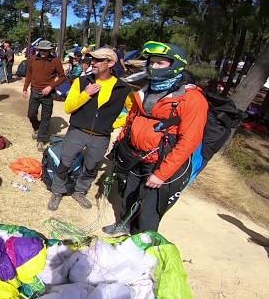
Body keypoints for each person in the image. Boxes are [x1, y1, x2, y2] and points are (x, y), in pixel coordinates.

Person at [103, 42, 208, 235]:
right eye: (152, 62)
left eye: (161, 63)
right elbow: (132, 118)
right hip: (135, 156)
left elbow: (189, 141)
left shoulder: (192, 99)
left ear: (176, 65)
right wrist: (121, 145)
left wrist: (161, 174)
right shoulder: (146, 90)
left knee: (149, 210)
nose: (153, 66)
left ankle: (143, 243)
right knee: (129, 196)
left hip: (161, 162)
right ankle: (124, 225)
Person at [47, 47, 132, 212]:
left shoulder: (123, 88)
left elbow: (133, 112)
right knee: (65, 162)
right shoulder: (82, 82)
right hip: (77, 131)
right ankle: (57, 190)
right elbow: (68, 107)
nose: (93, 62)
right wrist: (86, 94)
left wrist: (115, 123)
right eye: (92, 59)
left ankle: (79, 191)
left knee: (92, 166)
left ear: (111, 63)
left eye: (98, 60)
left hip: (101, 136)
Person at [22, 40, 68, 152]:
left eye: (45, 50)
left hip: (48, 93)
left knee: (46, 117)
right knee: (31, 114)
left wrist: (51, 87)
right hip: (34, 91)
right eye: (40, 50)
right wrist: (25, 88)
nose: (42, 52)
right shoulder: (33, 59)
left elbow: (62, 77)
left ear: (50, 50)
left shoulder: (55, 61)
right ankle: (37, 128)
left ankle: (41, 140)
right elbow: (29, 74)